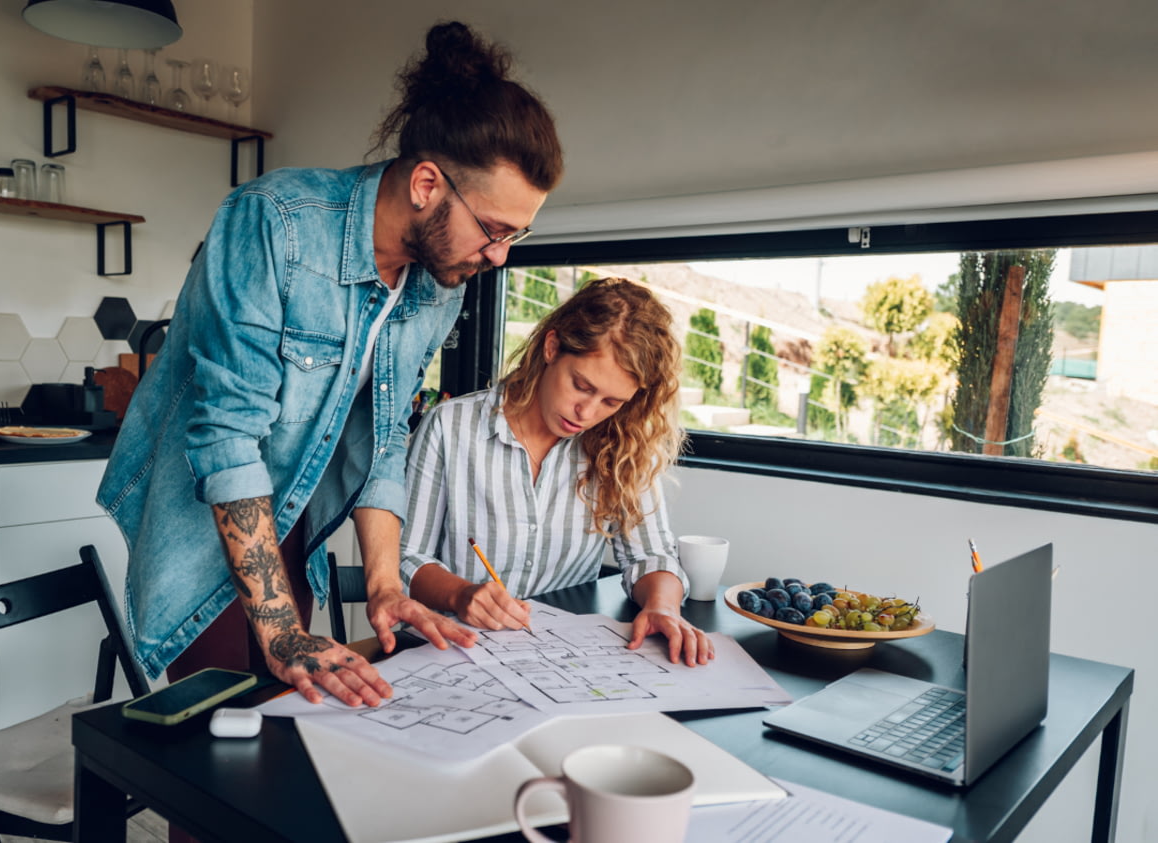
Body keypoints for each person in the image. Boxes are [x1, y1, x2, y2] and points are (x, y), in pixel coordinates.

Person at [97, 20, 564, 711]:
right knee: (217, 762)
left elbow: (385, 436)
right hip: (204, 524)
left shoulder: (437, 285)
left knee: (285, 731)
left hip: (289, 524)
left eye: (516, 236)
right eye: (494, 230)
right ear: (428, 184)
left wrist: (384, 584)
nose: (498, 256)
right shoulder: (274, 224)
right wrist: (281, 629)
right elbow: (227, 435)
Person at [401, 278, 715, 666]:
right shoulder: (450, 426)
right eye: (581, 386)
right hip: (452, 649)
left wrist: (663, 607)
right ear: (552, 348)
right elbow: (408, 558)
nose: (588, 412)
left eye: (611, 401)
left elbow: (651, 556)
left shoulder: (624, 445)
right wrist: (460, 595)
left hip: (558, 658)